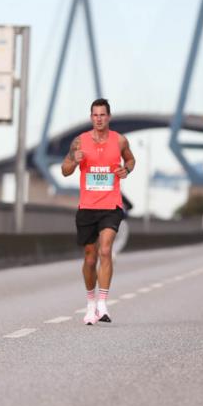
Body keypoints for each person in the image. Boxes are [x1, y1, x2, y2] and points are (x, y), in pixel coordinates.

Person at [62, 98, 135, 324]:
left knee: (105, 250)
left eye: (103, 115)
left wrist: (126, 170)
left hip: (111, 206)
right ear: (91, 117)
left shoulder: (119, 140)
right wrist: (74, 161)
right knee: (90, 257)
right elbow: (65, 170)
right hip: (87, 207)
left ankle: (103, 304)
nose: (99, 119)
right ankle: (90, 303)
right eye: (95, 115)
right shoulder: (79, 141)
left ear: (108, 117)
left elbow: (131, 160)